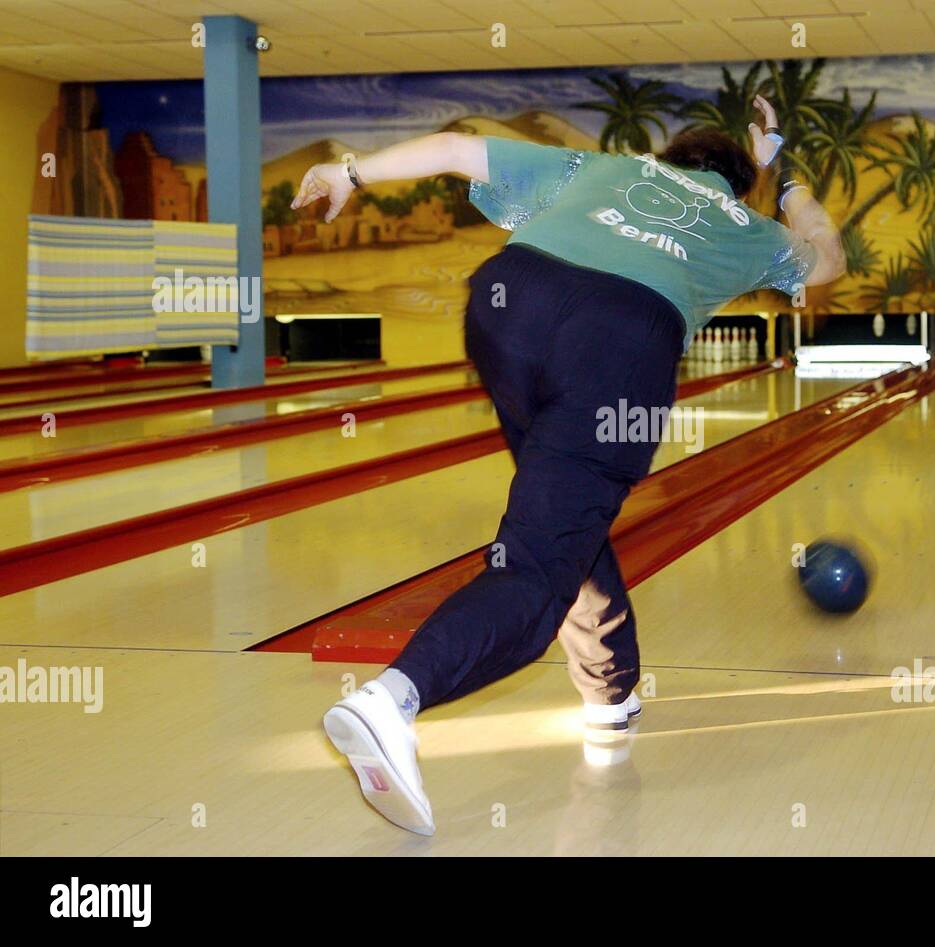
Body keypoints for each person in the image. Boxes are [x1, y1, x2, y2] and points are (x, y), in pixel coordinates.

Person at [294, 95, 846, 835]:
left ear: (668, 159)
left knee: (561, 515)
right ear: (737, 186)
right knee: (538, 565)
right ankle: (392, 698)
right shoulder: (747, 227)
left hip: (509, 301)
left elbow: (459, 149)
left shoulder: (603, 167)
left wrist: (347, 170)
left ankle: (609, 688)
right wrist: (786, 181)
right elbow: (828, 262)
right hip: (623, 341)